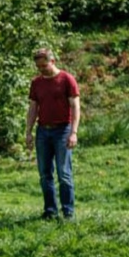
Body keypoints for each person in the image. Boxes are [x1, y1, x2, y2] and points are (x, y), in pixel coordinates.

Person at [25, 48, 80, 220]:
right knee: (44, 173)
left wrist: (73, 132)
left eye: (44, 65)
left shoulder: (66, 79)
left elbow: (75, 106)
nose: (41, 69)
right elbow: (33, 108)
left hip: (62, 130)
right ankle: (50, 211)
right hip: (43, 131)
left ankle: (68, 212)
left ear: (53, 61)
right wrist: (28, 131)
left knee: (64, 174)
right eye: (38, 66)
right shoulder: (36, 83)